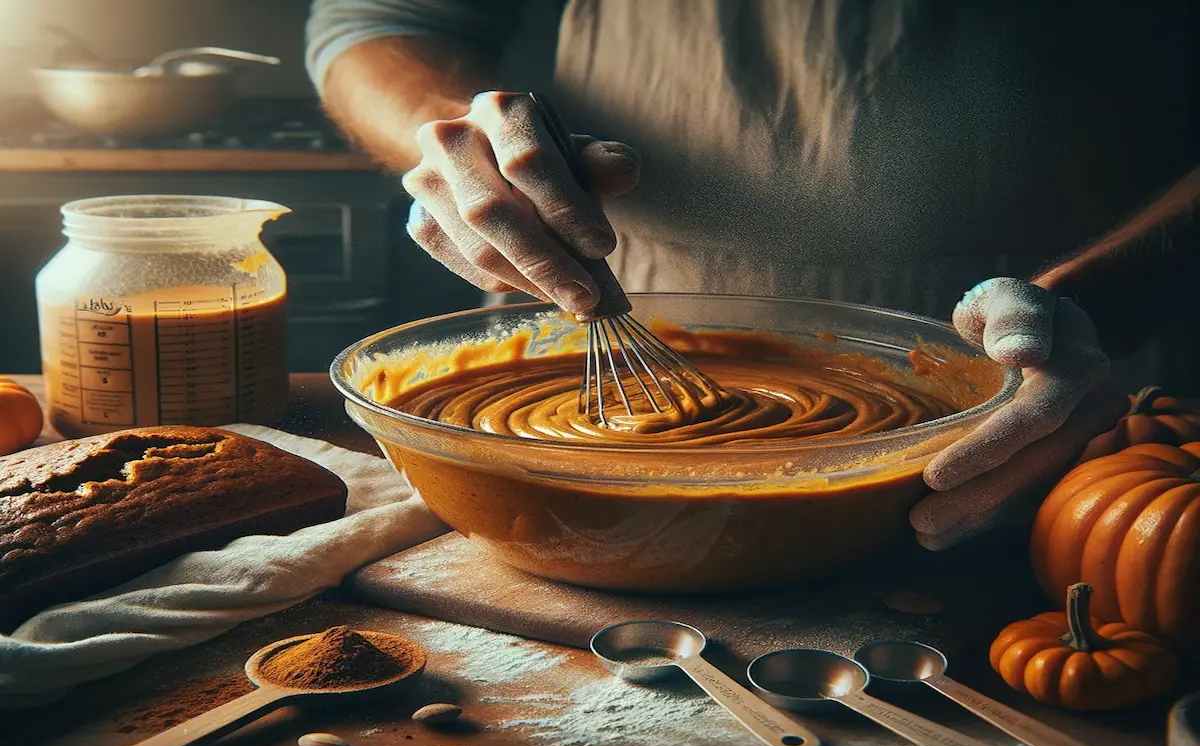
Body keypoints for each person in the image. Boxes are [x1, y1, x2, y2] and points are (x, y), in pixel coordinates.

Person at [305, 0, 1199, 550]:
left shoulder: (1081, 339)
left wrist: (1099, 302)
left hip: (1065, 377)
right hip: (625, 298)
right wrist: (463, 146)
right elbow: (386, 23)